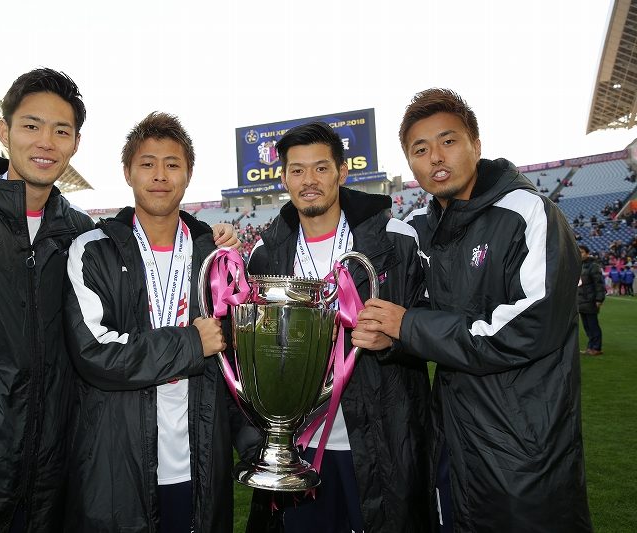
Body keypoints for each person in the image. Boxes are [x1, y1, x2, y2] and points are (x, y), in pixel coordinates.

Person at [0, 71, 237, 530]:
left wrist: (209, 234)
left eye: (61, 131)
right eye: (31, 126)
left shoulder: (78, 232)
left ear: (75, 143)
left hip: (45, 480)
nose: (46, 142)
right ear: (4, 130)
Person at [358, 88, 592, 532]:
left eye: (448, 141)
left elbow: (530, 326)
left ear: (476, 145)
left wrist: (407, 326)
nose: (435, 157)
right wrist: (391, 337)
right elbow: (413, 314)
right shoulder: (419, 228)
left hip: (523, 445)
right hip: (452, 437)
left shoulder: (527, 212)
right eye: (420, 150)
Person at [62, 112, 247, 532]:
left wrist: (260, 446)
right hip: (118, 469)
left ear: (188, 174)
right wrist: (190, 344)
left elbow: (236, 367)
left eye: (172, 164)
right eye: (147, 163)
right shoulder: (92, 250)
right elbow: (95, 354)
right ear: (127, 172)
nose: (160, 175)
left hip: (199, 466)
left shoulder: (215, 256)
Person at [245, 122, 431, 532]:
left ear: (342, 172)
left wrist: (394, 337)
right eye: (297, 170)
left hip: (382, 439)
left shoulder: (395, 239)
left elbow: (431, 323)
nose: (308, 180)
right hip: (300, 445)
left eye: (321, 168)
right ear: (283, 178)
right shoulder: (264, 255)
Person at [578, 245, 606, 355]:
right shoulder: (579, 265)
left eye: (582, 252)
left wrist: (599, 299)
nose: (580, 254)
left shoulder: (593, 266)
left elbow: (599, 284)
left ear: (587, 253)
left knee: (593, 325)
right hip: (581, 301)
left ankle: (596, 348)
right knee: (587, 326)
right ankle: (590, 347)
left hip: (590, 300)